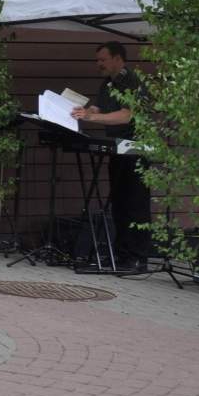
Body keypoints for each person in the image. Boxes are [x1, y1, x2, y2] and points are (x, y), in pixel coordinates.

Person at [71, 42, 151, 272]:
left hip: (136, 148)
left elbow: (126, 116)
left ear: (118, 59)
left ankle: (137, 258)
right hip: (118, 149)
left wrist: (92, 118)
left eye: (103, 60)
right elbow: (97, 108)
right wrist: (80, 112)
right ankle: (121, 255)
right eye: (98, 60)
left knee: (135, 204)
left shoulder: (132, 81)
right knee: (118, 204)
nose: (99, 64)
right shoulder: (108, 83)